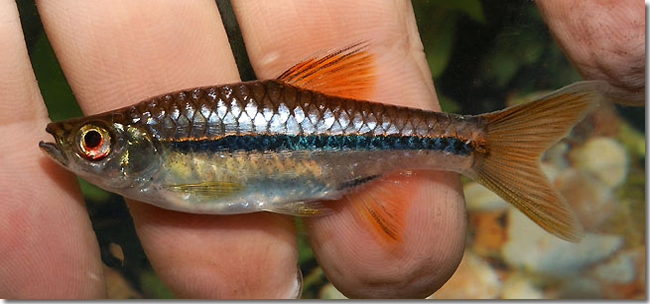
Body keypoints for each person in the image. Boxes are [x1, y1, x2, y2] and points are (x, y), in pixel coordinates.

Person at [0, 0, 643, 299]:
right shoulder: (163, 148)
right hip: (321, 148)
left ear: (140, 148)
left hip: (333, 144)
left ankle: (478, 143)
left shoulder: (162, 158)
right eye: (92, 142)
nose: (82, 150)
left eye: (93, 142)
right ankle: (471, 143)